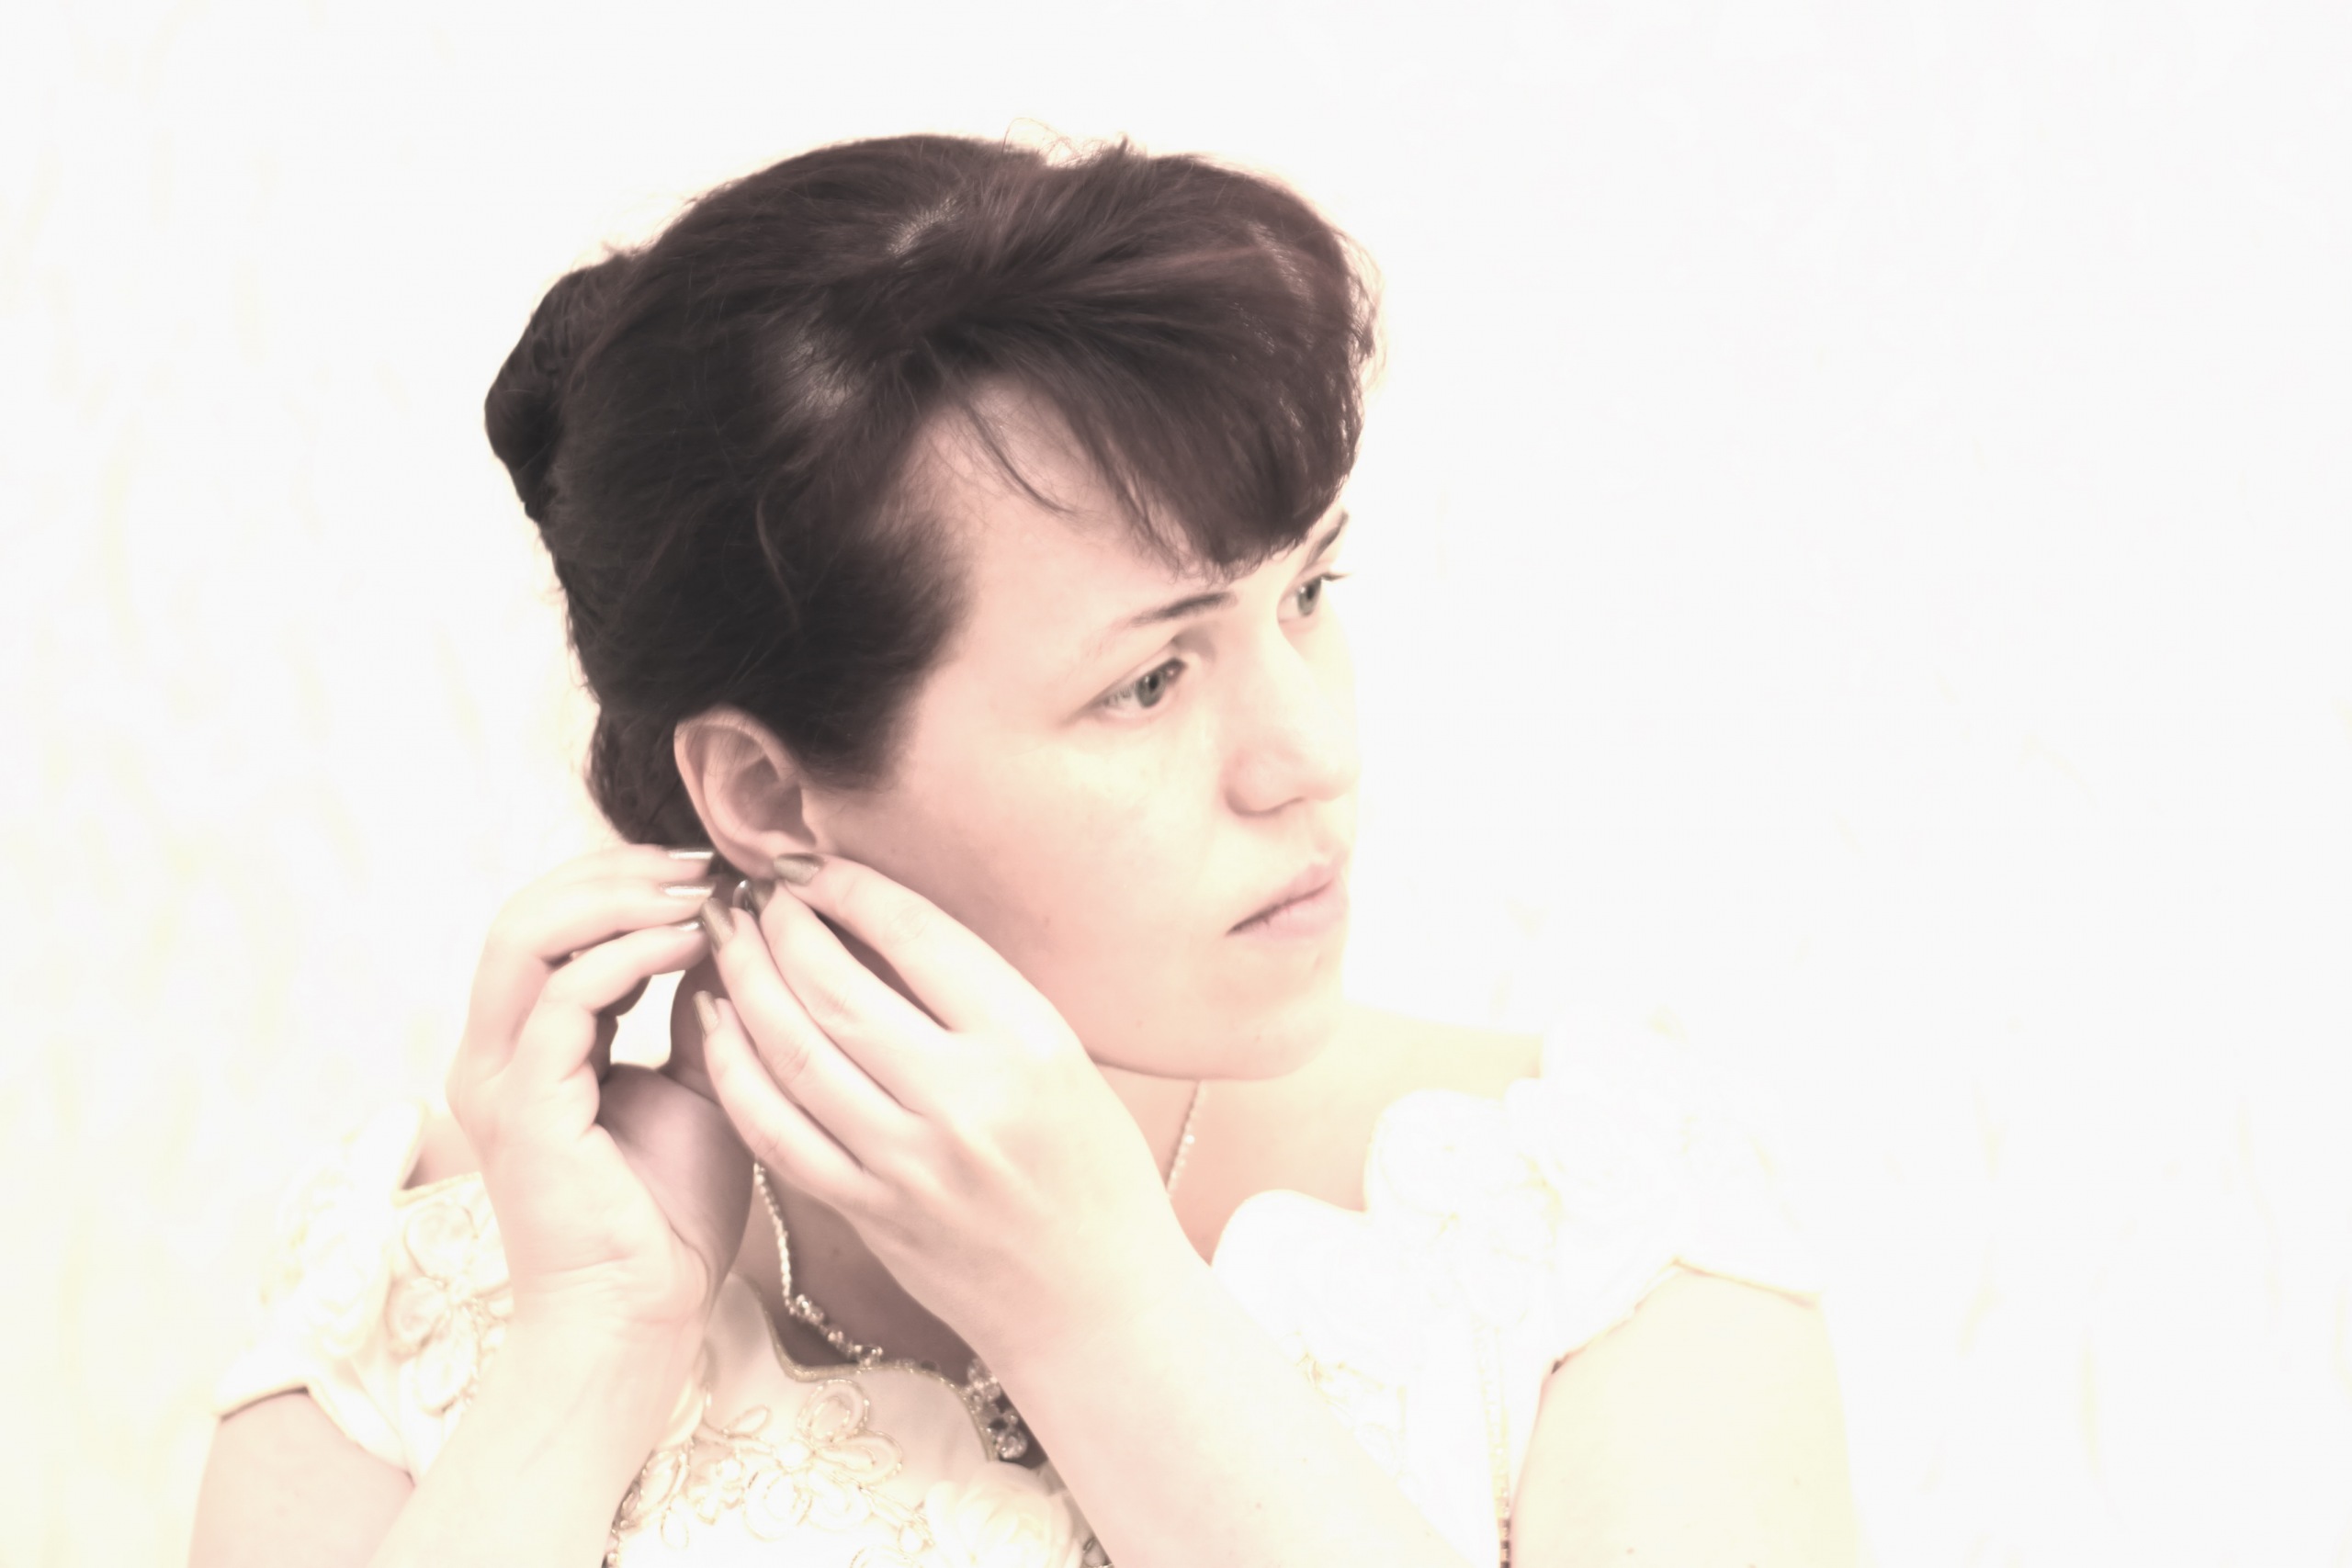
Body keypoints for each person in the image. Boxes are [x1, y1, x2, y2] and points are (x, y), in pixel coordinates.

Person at [187, 133, 1857, 1568]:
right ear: (764, 793)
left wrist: (1102, 1310)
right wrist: (588, 1351)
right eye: (1149, 681)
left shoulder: (1593, 1225)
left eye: (1307, 595)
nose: (1310, 759)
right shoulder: (431, 1281)